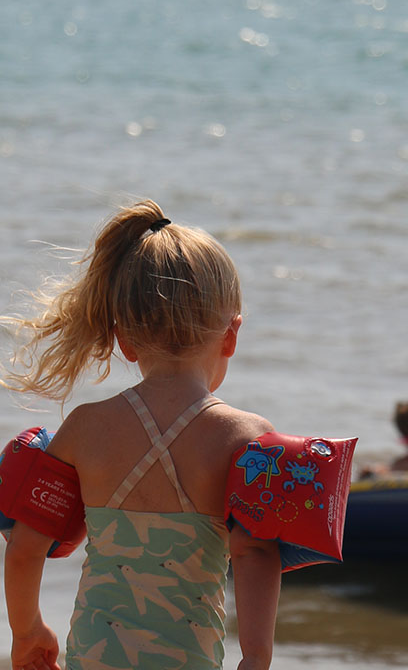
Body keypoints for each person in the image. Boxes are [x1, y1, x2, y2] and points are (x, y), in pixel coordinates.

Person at [2, 200, 281, 670]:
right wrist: (256, 656)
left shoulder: (85, 428)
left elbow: (25, 550)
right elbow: (253, 552)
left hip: (94, 655)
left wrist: (28, 630)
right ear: (231, 336)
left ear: (123, 340)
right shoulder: (248, 439)